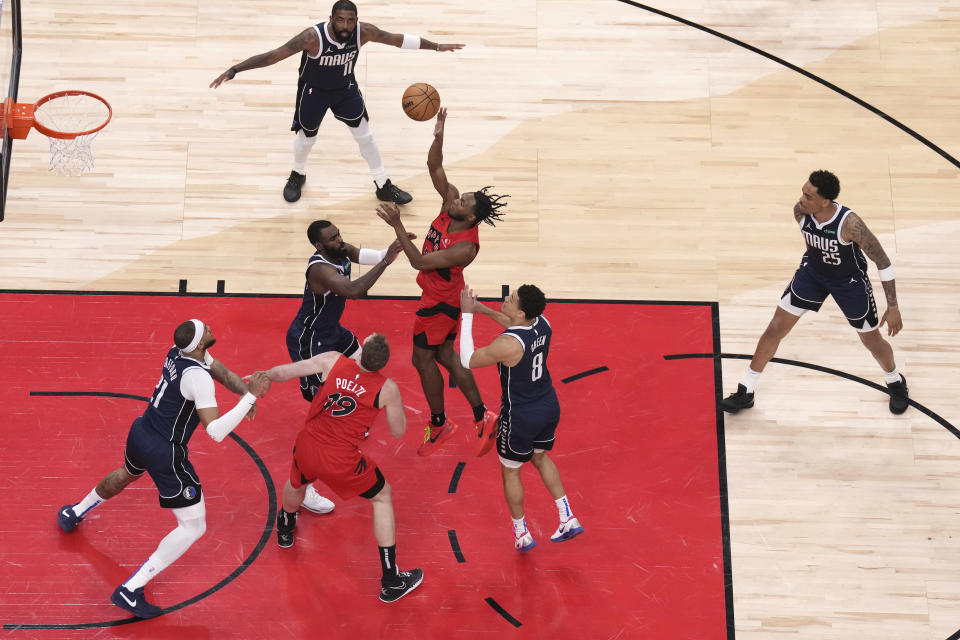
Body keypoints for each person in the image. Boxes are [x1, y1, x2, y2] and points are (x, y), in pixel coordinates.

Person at [56, 320, 269, 618]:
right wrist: (251, 396)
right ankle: (131, 590)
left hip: (142, 431)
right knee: (194, 526)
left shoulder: (179, 352)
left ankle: (74, 512)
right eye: (206, 329)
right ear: (198, 344)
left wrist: (243, 390)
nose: (210, 329)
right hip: (165, 451)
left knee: (126, 474)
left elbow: (222, 372)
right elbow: (217, 432)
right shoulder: (198, 379)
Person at [210, 0, 464, 204]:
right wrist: (235, 69)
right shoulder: (312, 37)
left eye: (350, 20)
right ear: (331, 19)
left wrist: (437, 46)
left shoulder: (363, 32)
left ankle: (383, 185)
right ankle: (298, 174)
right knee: (306, 139)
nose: (346, 25)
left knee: (365, 135)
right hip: (314, 92)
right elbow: (273, 56)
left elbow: (396, 39)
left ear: (356, 20)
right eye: (340, 20)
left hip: (345, 89)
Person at [721, 170, 910, 414]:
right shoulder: (800, 212)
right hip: (813, 275)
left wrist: (893, 307)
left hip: (848, 282)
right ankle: (746, 389)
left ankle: (895, 380)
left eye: (808, 196)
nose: (802, 199)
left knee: (871, 340)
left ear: (825, 201)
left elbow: (882, 261)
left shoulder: (850, 224)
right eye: (803, 192)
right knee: (775, 327)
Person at [376, 107, 508, 456]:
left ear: (472, 215)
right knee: (447, 357)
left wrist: (398, 226)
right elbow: (435, 166)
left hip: (439, 304)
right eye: (460, 196)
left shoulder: (466, 247)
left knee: (422, 360)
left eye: (464, 201)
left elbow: (419, 260)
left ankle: (439, 423)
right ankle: (483, 416)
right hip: (439, 299)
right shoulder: (450, 204)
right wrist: (438, 134)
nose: (457, 197)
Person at [258, 334, 423, 603]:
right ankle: (392, 580)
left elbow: (284, 372)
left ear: (362, 352)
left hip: (308, 443)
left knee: (298, 480)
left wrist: (263, 375)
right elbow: (398, 430)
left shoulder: (332, 360)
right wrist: (393, 402)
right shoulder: (387, 387)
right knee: (382, 496)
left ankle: (285, 529)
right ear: (382, 363)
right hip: (340, 460)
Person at [287, 218, 411, 514]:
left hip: (333, 331)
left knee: (360, 363)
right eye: (333, 238)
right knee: (321, 402)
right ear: (319, 245)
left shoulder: (339, 250)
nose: (339, 239)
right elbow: (355, 291)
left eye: (339, 233)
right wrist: (385, 264)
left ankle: (353, 416)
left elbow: (361, 254)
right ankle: (305, 486)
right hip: (311, 339)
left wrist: (389, 251)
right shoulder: (320, 269)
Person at [458, 284, 584, 552]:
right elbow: (512, 322)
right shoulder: (542, 323)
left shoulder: (507, 345)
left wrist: (466, 315)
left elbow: (468, 360)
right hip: (548, 406)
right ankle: (567, 516)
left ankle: (521, 534)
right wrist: (481, 308)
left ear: (521, 311)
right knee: (540, 457)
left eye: (511, 299)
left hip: (521, 415)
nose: (506, 298)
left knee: (511, 471)